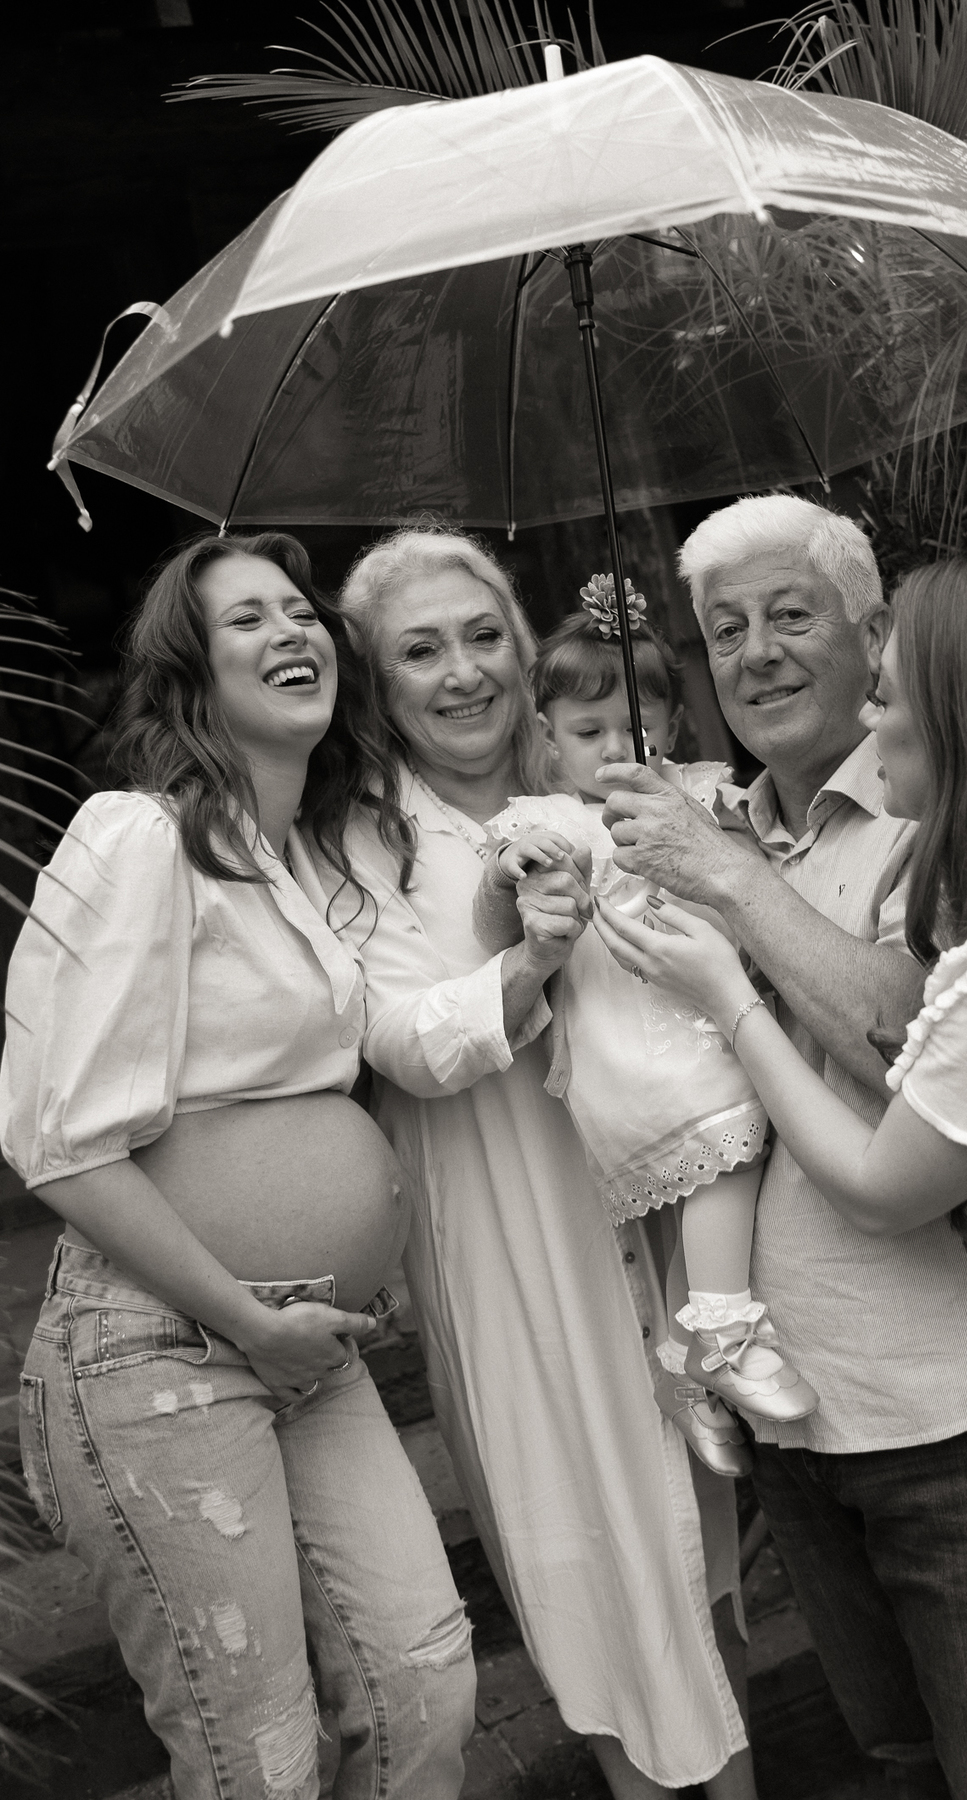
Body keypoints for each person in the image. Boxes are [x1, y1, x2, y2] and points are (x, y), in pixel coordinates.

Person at [595, 551, 967, 1800]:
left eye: (886, 692)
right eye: (723, 630)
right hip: (930, 1413)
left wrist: (727, 985)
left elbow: (885, 1173)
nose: (873, 724)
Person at [2, 533, 477, 1800]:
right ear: (189, 677)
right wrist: (247, 1317)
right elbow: (56, 1141)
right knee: (256, 1762)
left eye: (301, 611)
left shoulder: (294, 862)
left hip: (305, 1349)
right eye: (247, 621)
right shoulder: (137, 837)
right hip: (163, 1350)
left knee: (424, 1685)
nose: (292, 631)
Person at [321, 526, 755, 1800]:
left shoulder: (599, 773)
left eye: (483, 638)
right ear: (376, 681)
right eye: (421, 651)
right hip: (512, 1221)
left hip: (666, 1203)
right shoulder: (354, 841)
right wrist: (527, 965)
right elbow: (398, 1039)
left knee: (708, 1542)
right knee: (588, 1544)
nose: (463, 672)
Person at [482, 576, 816, 1459]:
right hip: (630, 1039)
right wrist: (518, 864)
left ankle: (684, 1361)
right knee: (725, 1151)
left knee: (711, 1182)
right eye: (587, 733)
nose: (615, 748)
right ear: (548, 740)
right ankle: (724, 1332)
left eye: (637, 726)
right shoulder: (550, 819)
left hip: (702, 1018)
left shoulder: (700, 794)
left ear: (669, 724)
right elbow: (499, 891)